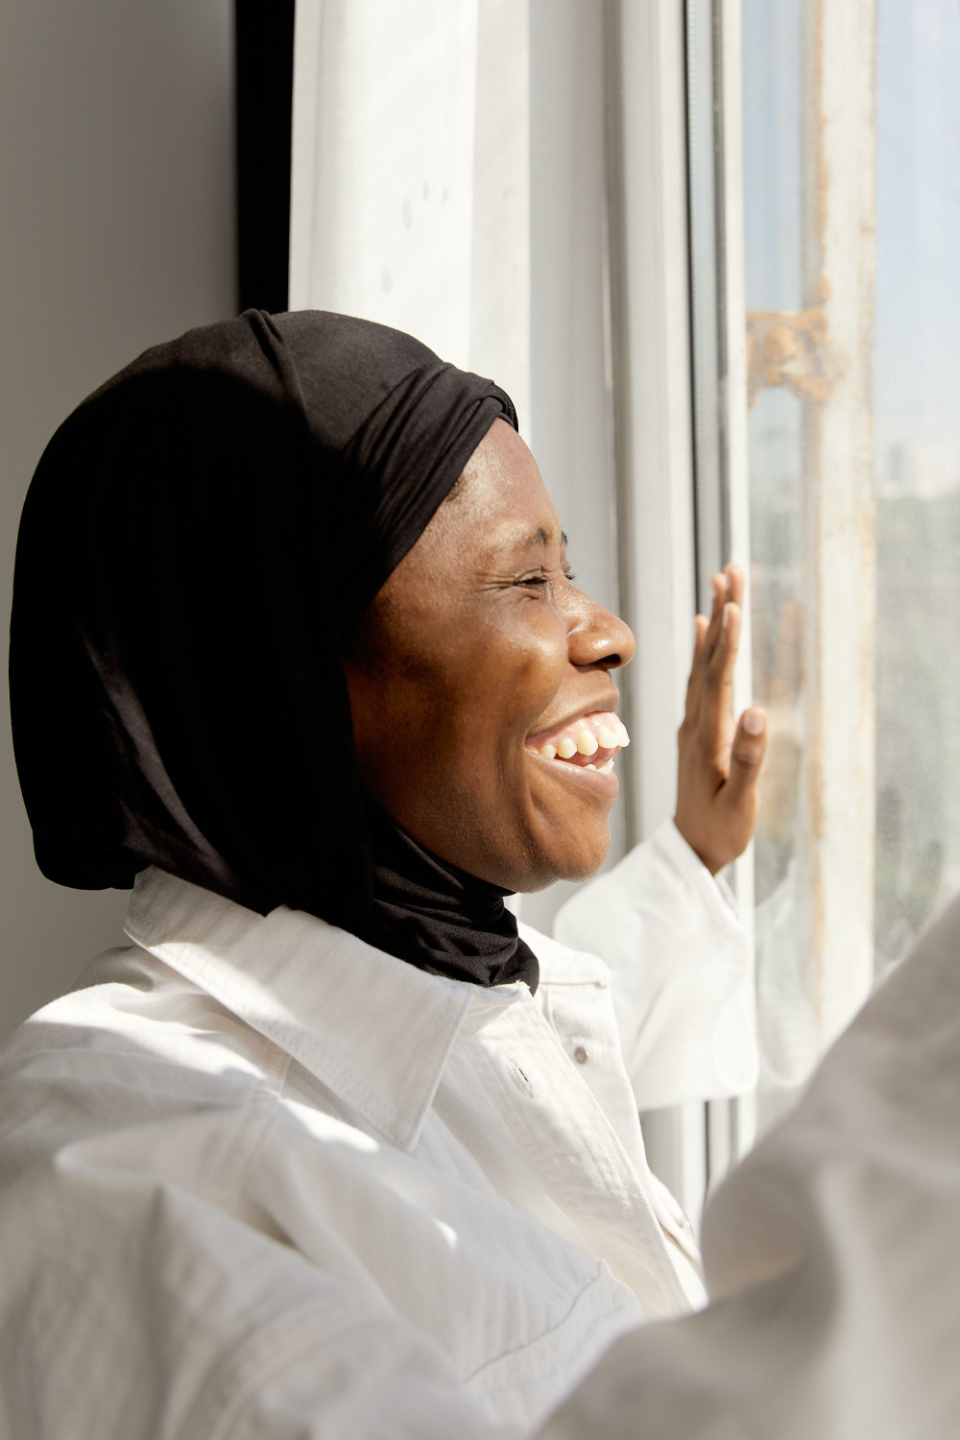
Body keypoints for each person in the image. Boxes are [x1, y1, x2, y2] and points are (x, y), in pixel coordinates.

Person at [10, 309, 955, 1439]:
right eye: (526, 581)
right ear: (281, 679)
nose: (609, 631)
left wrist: (693, 855)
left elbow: (492, 1043)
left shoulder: (438, 971)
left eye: (571, 571)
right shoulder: (121, 1173)